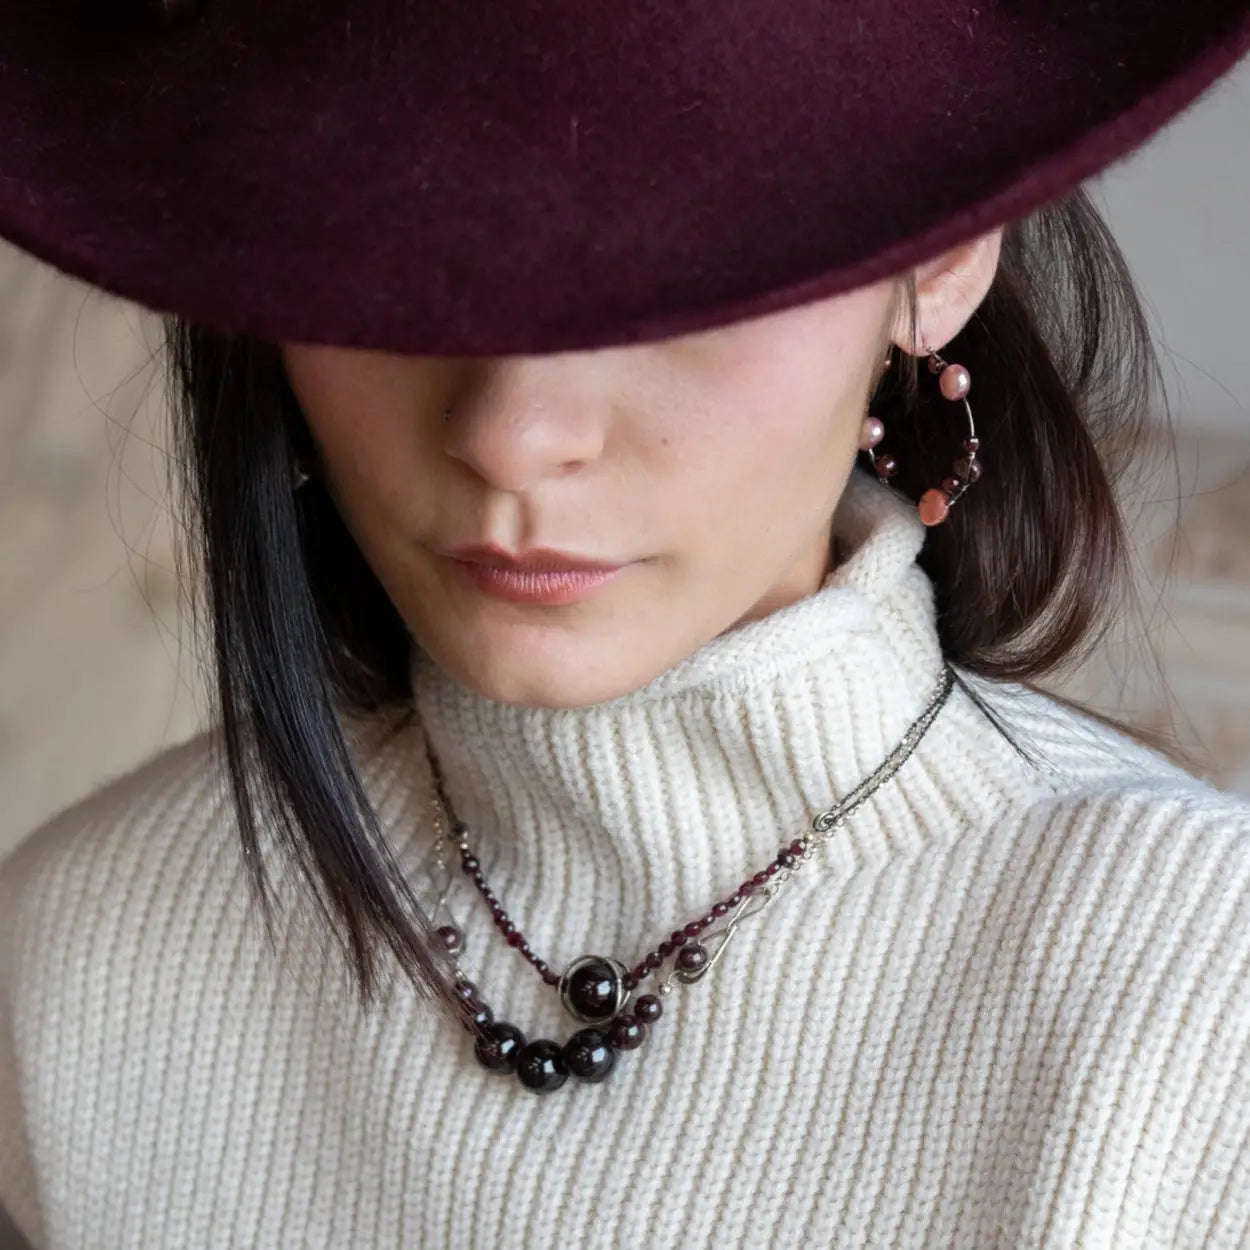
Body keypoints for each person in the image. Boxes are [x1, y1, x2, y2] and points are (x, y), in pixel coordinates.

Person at [1, 1, 1250, 1246]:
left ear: (938, 263)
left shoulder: (1197, 1001)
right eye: (399, 254)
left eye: (676, 279)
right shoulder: (78, 960)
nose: (508, 433)